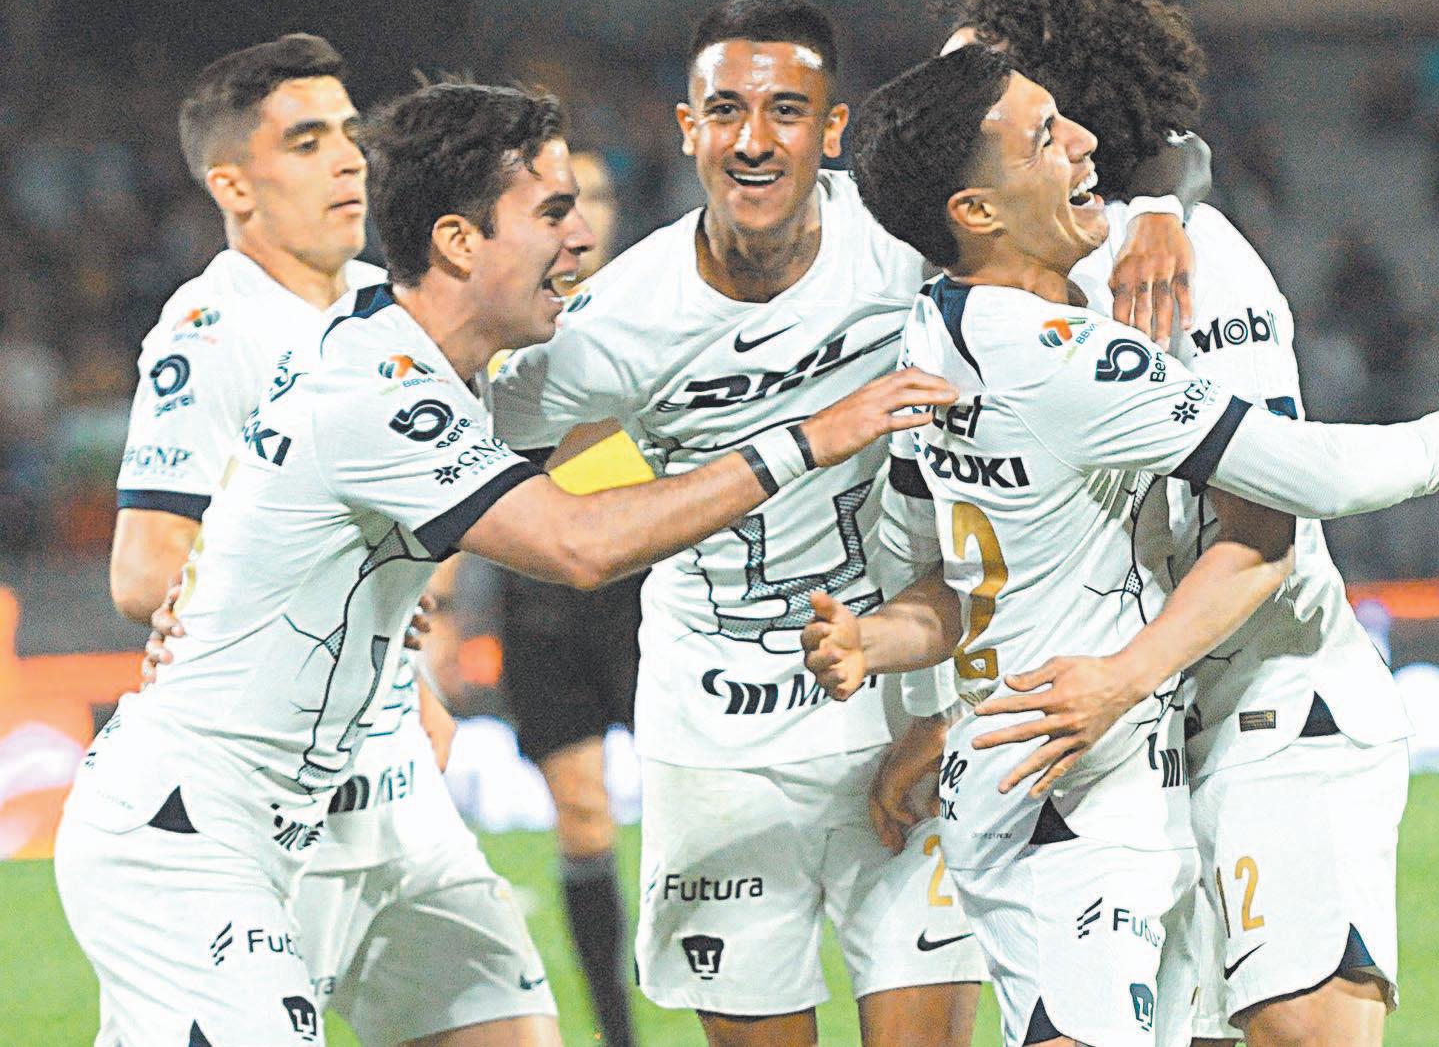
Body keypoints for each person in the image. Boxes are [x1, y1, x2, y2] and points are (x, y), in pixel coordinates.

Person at [59, 76, 950, 1047]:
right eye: (553, 213)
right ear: (457, 241)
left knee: (507, 1026)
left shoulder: (444, 365)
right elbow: (576, 543)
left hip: (347, 813)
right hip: (192, 827)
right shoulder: (377, 387)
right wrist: (808, 437)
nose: (582, 238)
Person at [488, 0, 1207, 1047]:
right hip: (718, 742)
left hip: (900, 715)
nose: (754, 139)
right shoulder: (616, 323)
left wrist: (1161, 213)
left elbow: (1158, 154)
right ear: (686, 128)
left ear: (831, 130)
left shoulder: (903, 235)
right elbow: (466, 469)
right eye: (725, 110)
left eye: (786, 110)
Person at [821, 44, 1439, 1047]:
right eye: (1043, 135)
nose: (1081, 143)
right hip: (1064, 777)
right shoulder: (1056, 354)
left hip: (1092, 761)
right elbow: (1303, 479)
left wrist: (880, 644)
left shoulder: (936, 329)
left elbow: (966, 579)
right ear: (973, 209)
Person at [104, 34, 552, 1047]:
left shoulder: (389, 308)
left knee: (510, 1028)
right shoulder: (211, 329)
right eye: (307, 142)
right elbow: (145, 567)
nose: (349, 160)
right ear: (234, 184)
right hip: (267, 811)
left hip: (395, 796)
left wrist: (411, 670)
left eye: (351, 134)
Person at [494, 146, 643, 1047]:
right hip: (543, 595)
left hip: (653, 589)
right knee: (583, 818)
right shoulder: (505, 323)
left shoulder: (659, 309)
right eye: (559, 203)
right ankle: (617, 1034)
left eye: (595, 197)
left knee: (702, 813)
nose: (582, 220)